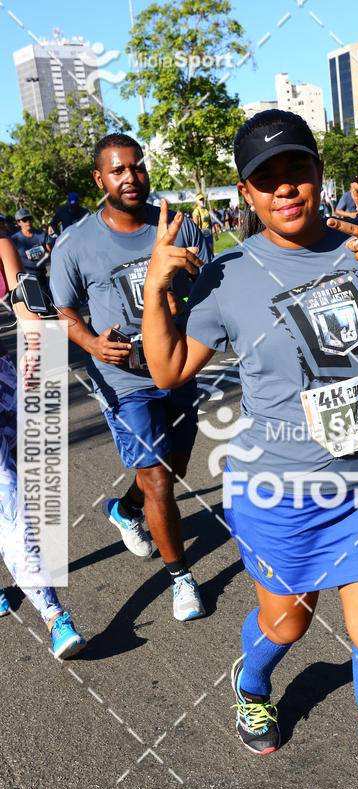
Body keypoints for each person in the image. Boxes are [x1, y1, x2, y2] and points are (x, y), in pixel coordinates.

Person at [142, 108, 358, 789]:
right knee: (287, 622)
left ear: (318, 173)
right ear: (247, 195)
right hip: (280, 496)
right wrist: (158, 290)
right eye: (265, 180)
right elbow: (164, 372)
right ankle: (253, 685)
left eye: (296, 171)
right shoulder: (226, 276)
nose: (285, 189)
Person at [50, 132, 210, 622]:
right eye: (118, 170)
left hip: (178, 366)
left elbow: (208, 287)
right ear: (100, 179)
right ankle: (181, 578)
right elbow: (64, 310)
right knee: (159, 477)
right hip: (123, 377)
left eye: (136, 167)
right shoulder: (76, 242)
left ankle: (124, 510)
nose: (130, 178)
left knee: (175, 466)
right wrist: (94, 343)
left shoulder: (177, 226)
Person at [0, 236, 86, 658]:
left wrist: (40, 355)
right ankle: (54, 615)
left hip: (8, 383)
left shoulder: (1, 244)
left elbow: (27, 304)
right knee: (10, 499)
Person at [11, 209, 52, 290]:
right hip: (27, 278)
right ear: (19, 223)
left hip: (43, 275)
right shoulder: (15, 239)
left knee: (47, 300)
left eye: (29, 218)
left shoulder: (41, 234)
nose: (28, 222)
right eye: (24, 220)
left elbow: (51, 252)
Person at [191, 194, 214, 260]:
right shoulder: (196, 211)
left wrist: (214, 232)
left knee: (211, 251)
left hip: (208, 232)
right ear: (197, 201)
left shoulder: (206, 210)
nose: (202, 201)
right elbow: (195, 225)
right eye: (200, 199)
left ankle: (213, 265)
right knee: (203, 253)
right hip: (201, 233)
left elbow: (210, 222)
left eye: (203, 199)